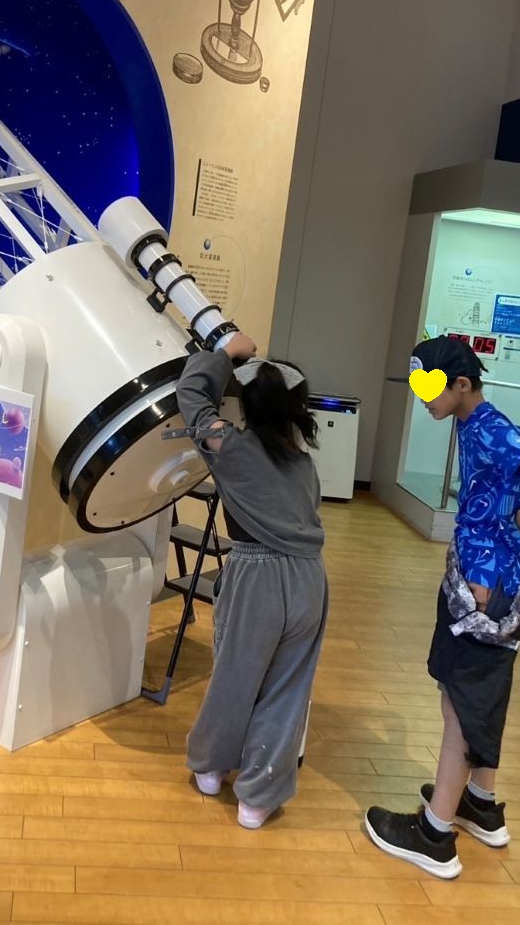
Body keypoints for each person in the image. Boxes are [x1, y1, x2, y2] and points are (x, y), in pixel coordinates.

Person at [365, 336, 520, 880]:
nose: (424, 399)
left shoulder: (485, 427)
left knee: (461, 704)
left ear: (462, 384)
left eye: (431, 388)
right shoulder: (479, 421)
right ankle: (479, 802)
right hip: (489, 580)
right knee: (481, 694)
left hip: (486, 591)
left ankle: (434, 834)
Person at [176, 331, 329, 830]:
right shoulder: (305, 467)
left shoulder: (231, 447)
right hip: (308, 578)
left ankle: (210, 767)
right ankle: (258, 798)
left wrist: (224, 355)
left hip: (255, 576)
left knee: (235, 677)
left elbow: (191, 397)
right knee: (287, 689)